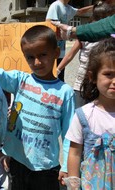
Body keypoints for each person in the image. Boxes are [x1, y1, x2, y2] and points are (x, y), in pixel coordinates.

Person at [0, 25, 75, 189]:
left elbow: (69, 134)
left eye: (43, 55)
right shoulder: (20, 80)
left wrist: (67, 167)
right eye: (30, 57)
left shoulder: (65, 92)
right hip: (16, 161)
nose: (37, 62)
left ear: (56, 53)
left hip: (45, 167)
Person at [63, 36, 115, 189]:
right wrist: (73, 184)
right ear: (93, 77)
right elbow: (75, 152)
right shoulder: (84, 115)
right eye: (108, 74)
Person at [57, 1, 115, 108]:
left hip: (103, 84)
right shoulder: (84, 36)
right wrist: (57, 70)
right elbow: (70, 55)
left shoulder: (111, 38)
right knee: (80, 111)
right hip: (82, 83)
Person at [46, 0, 93, 82]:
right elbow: (49, 24)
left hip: (61, 49)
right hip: (52, 49)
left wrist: (95, 6)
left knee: (59, 76)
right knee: (50, 76)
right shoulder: (56, 5)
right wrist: (64, 36)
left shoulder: (68, 8)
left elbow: (80, 11)